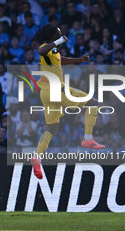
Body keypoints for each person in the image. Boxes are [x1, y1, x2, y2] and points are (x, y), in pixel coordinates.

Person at [32, 25, 105, 180]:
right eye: (58, 32)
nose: (61, 32)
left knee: (52, 128)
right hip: (57, 90)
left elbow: (60, 61)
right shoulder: (46, 47)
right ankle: (87, 139)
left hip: (46, 93)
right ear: (53, 35)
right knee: (93, 103)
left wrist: (80, 60)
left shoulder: (53, 51)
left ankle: (37, 157)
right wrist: (59, 40)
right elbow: (40, 51)